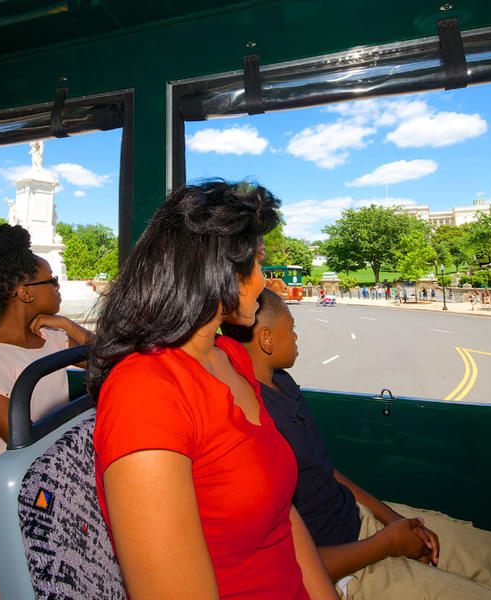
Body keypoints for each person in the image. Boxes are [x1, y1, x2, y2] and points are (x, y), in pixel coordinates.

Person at [89, 182, 338, 599]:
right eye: (258, 265)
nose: (265, 282)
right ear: (217, 270)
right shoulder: (145, 394)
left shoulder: (229, 356)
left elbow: (282, 515)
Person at [222, 289, 491, 600]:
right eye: (290, 330)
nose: (295, 338)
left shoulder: (283, 383)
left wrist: (392, 520)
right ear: (266, 339)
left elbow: (326, 472)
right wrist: (387, 544)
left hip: (358, 520)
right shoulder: (256, 418)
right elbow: (294, 564)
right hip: (345, 569)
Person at [0, 224, 90, 471]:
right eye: (52, 281)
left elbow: (111, 360)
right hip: (19, 484)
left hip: (61, 463)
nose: (58, 288)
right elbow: (27, 443)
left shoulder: (52, 339)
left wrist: (68, 326)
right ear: (26, 294)